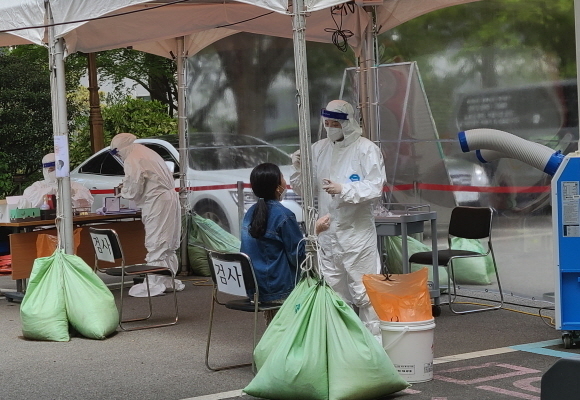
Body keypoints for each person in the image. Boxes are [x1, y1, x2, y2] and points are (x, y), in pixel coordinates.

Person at [290, 99, 387, 338]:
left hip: (357, 235)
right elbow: (305, 189)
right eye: (328, 123)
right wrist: (300, 168)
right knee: (334, 293)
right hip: (328, 235)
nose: (331, 127)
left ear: (348, 123)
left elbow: (375, 186)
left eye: (336, 123)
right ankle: (342, 344)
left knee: (365, 292)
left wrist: (344, 189)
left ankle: (373, 347)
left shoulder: (366, 149)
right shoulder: (319, 149)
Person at [241, 163, 329, 324]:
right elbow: (300, 258)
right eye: (282, 177)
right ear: (277, 187)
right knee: (324, 291)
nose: (285, 180)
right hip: (278, 289)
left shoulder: (250, 213)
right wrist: (315, 231)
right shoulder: (283, 216)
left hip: (254, 288)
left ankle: (274, 331)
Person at [109, 132, 184, 296]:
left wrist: (123, 191)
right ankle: (166, 279)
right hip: (168, 198)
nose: (119, 156)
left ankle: (154, 282)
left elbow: (134, 187)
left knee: (156, 241)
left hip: (157, 201)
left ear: (121, 148)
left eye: (117, 152)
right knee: (167, 242)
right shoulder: (145, 151)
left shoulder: (133, 158)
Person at [18, 153, 94, 210]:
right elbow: (30, 202)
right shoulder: (37, 186)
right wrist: (52, 190)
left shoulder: (74, 186)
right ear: (45, 171)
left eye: (58, 169)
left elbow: (86, 204)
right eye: (51, 169)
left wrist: (73, 194)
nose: (55, 172)